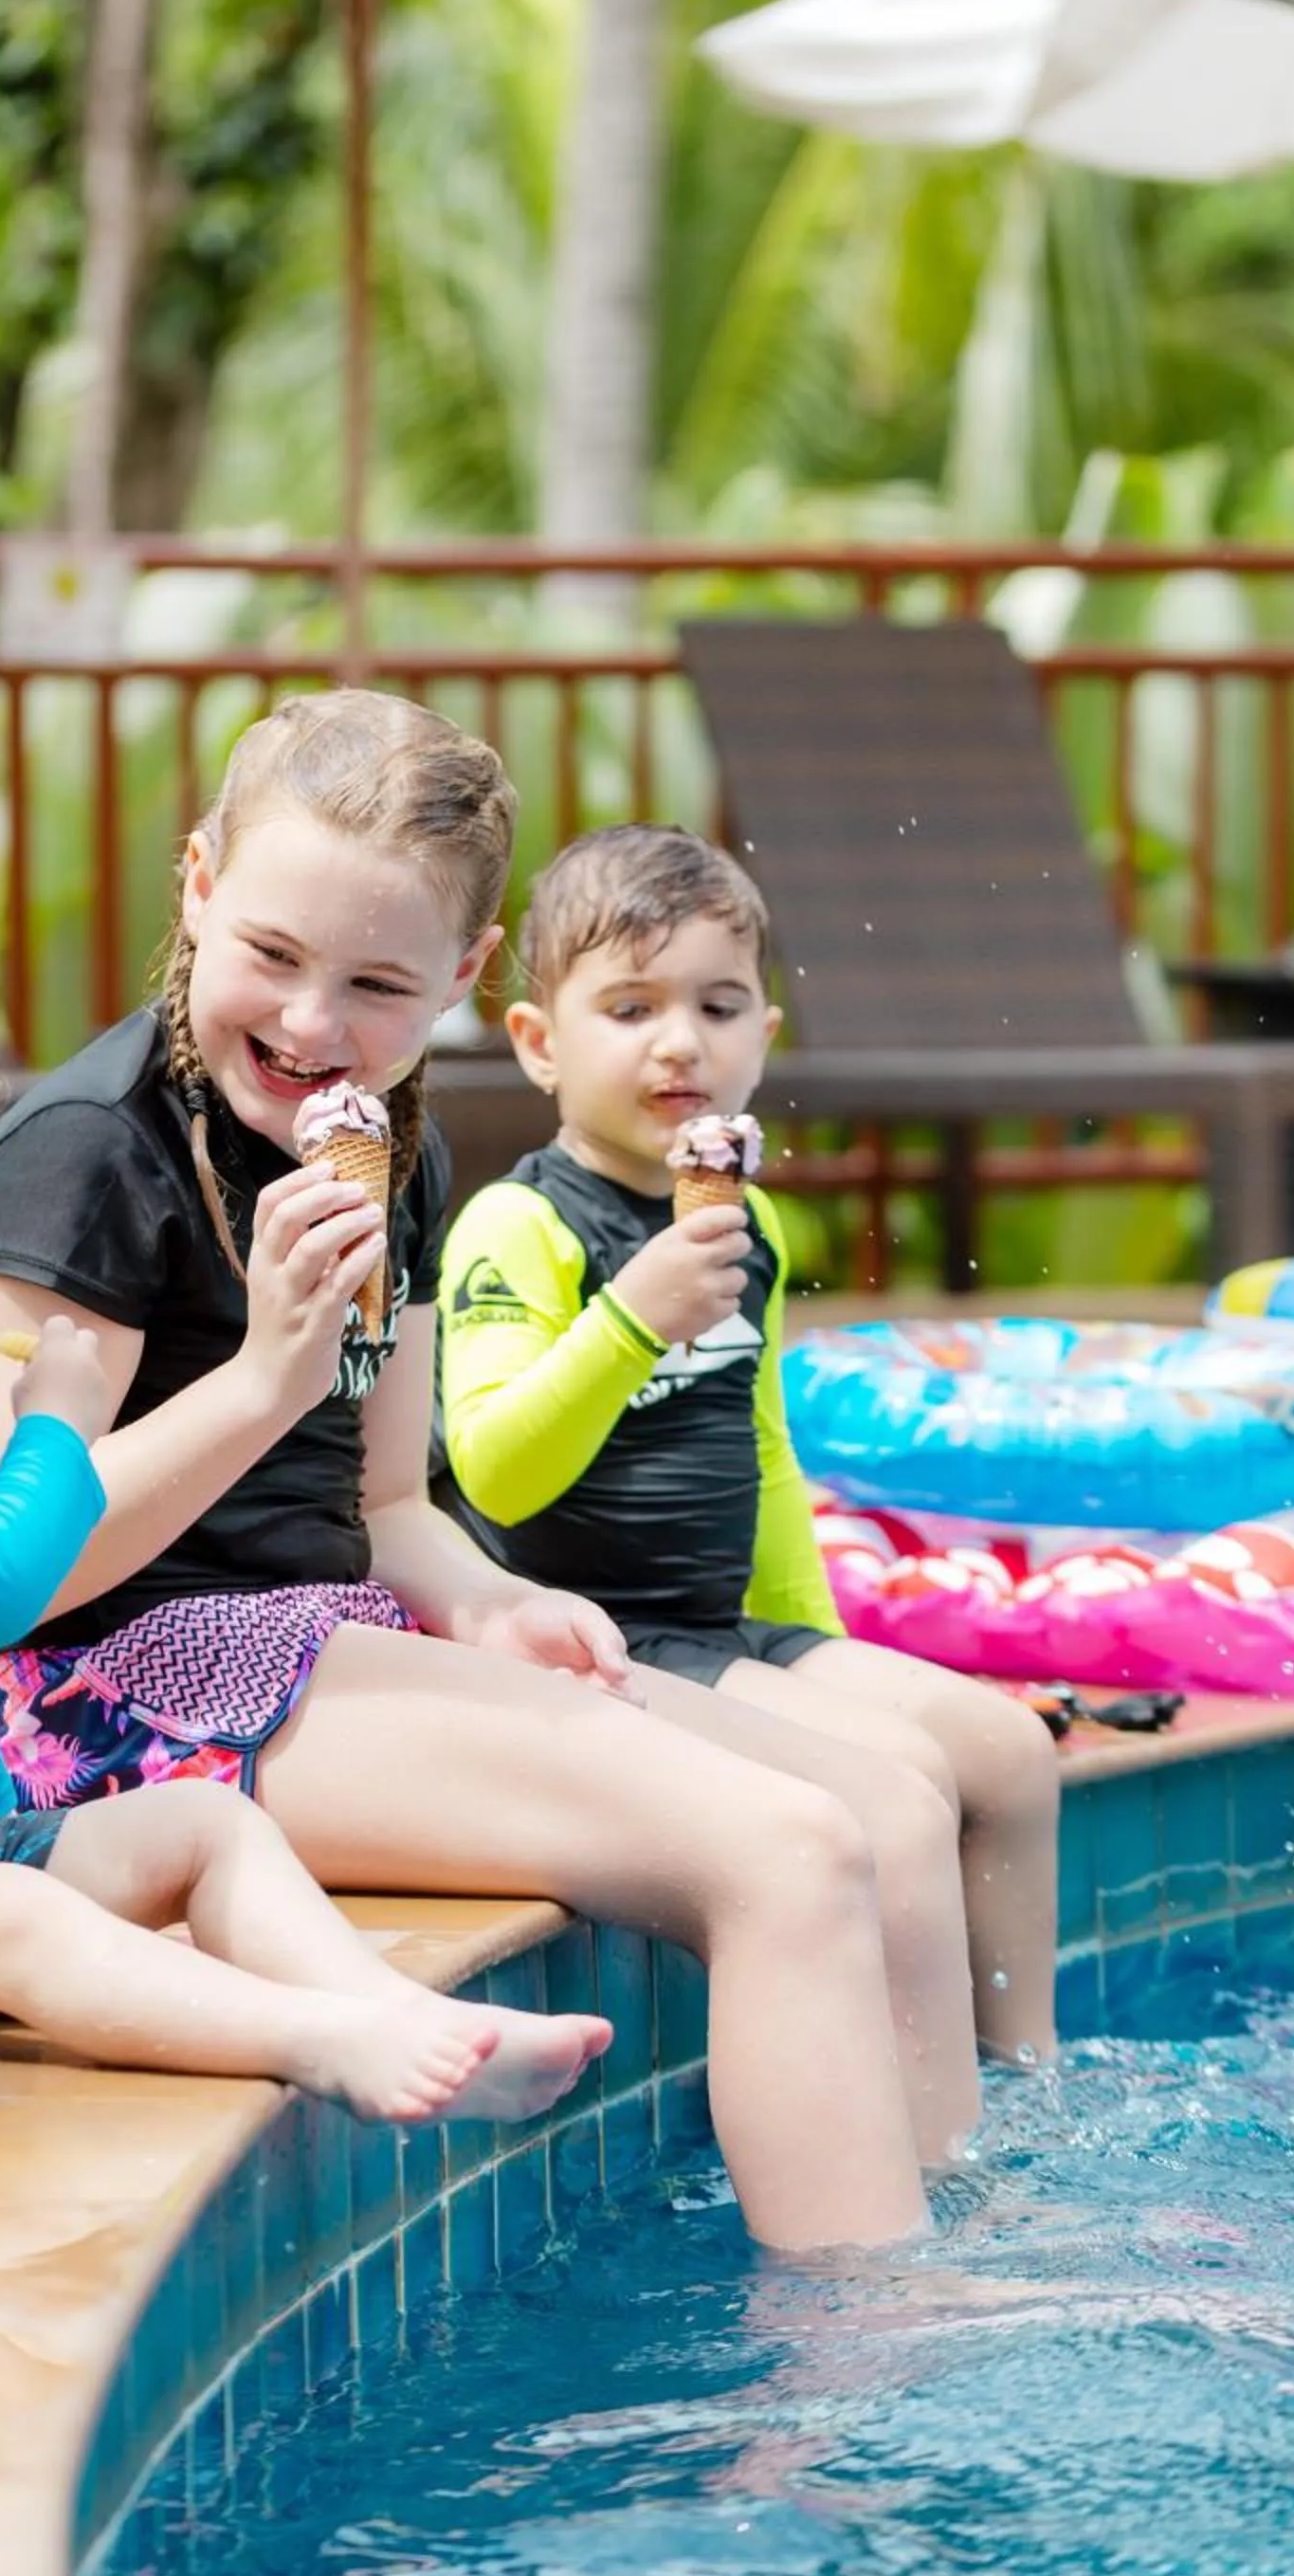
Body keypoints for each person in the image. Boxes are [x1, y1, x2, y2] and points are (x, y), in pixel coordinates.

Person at [0, 689, 957, 2251]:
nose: (312, 1025)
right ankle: (853, 2370)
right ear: (199, 883)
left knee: (883, 1806)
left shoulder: (398, 1150)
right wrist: (270, 1378)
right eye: (272, 956)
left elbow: (391, 1506)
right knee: (786, 1852)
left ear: (466, 982)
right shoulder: (89, 1153)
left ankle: (956, 2234)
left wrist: (491, 1601)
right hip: (104, 1687)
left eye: (378, 983)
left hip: (320, 1643)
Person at [0, 959, 610, 2130]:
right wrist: (60, 1430)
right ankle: (326, 2039)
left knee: (206, 1824)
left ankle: (398, 2012)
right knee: (14, 1926)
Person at [432, 823, 1062, 2067]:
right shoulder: (518, 1228)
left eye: (720, 1006)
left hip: (731, 1624)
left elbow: (761, 1447)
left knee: (1010, 1752)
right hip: (598, 1637)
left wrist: (815, 1644)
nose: (681, 1041)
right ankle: (941, 2147)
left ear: (764, 1036)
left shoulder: (747, 1221)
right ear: (539, 1044)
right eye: (630, 1007)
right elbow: (493, 1465)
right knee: (895, 1794)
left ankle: (1028, 2075)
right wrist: (631, 1317)